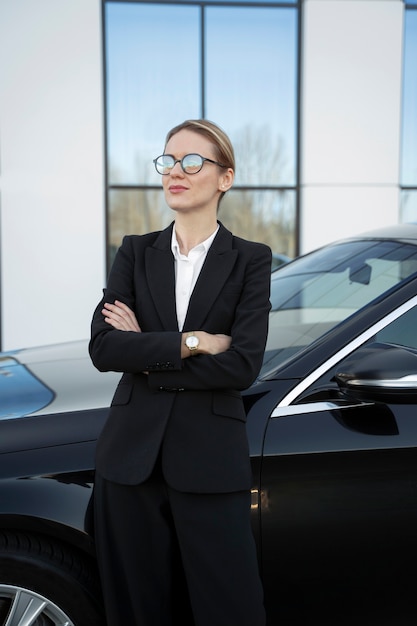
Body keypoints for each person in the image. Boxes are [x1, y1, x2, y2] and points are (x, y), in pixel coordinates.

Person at [89, 119, 272, 626]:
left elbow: (241, 365)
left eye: (193, 162)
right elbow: (104, 348)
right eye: (168, 161)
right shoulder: (134, 250)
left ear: (225, 178)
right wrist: (192, 343)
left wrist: (145, 352)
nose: (176, 171)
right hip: (129, 463)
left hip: (210, 464)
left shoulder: (251, 260)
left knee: (229, 610)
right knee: (138, 612)